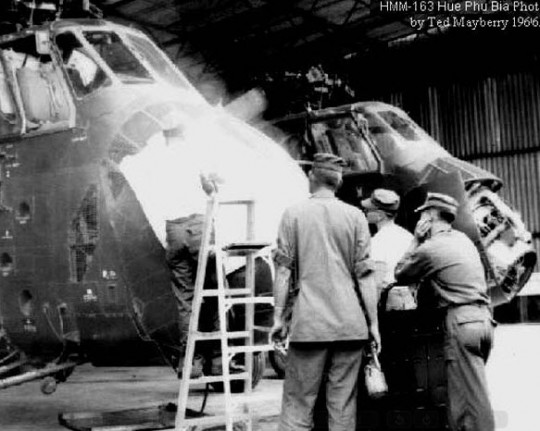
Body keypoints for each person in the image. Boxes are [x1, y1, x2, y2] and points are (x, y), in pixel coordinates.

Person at [270, 153, 380, 431]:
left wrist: (278, 318)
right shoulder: (356, 216)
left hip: (310, 325)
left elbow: (283, 271)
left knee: (298, 406)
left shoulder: (293, 214)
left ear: (312, 177)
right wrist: (373, 324)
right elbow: (366, 276)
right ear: (338, 182)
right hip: (350, 326)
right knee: (342, 408)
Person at [394, 192, 496, 431]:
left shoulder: (431, 248)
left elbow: (401, 273)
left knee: (470, 403)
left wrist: (416, 240)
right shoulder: (463, 240)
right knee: (467, 396)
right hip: (483, 321)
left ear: (429, 217)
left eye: (423, 216)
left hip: (461, 323)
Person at [361, 188, 414, 297]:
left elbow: (377, 280)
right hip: (408, 298)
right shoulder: (408, 236)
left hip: (387, 299)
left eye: (369, 210)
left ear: (380, 215)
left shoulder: (377, 241)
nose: (365, 212)